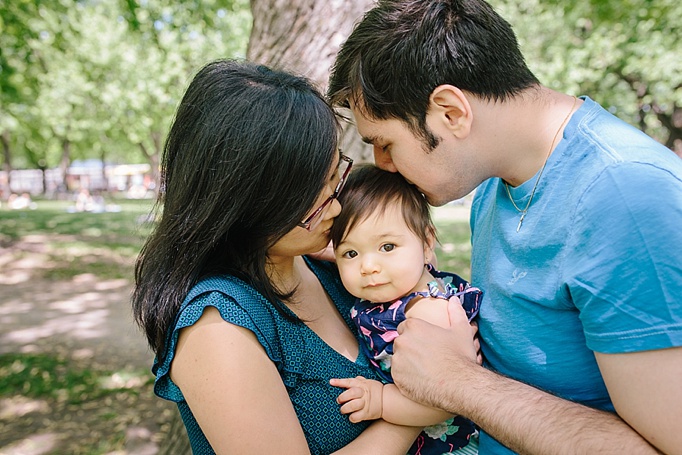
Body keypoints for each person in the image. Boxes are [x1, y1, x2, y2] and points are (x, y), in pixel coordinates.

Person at [327, 1, 682, 454]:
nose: (384, 166)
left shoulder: (625, 197)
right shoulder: (494, 184)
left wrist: (458, 383)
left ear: (451, 112)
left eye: (385, 143)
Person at [132, 59, 424, 454]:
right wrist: (419, 411)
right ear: (250, 206)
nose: (336, 210)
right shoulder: (219, 327)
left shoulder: (328, 265)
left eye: (335, 178)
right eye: (316, 200)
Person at [329, 164, 482, 454]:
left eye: (387, 247)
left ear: (426, 243)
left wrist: (381, 401)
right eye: (351, 253)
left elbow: (448, 400)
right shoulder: (400, 286)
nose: (368, 266)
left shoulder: (428, 311)